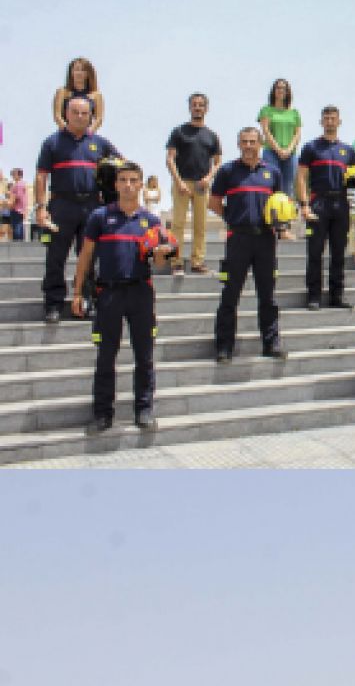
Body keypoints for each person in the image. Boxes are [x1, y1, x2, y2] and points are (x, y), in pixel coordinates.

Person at [71, 156, 171, 432]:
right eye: (123, 180)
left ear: (141, 185)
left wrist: (163, 254)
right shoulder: (100, 217)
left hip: (140, 293)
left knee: (145, 355)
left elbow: (160, 264)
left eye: (133, 181)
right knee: (106, 356)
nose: (128, 185)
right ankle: (103, 413)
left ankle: (144, 409)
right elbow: (86, 255)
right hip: (108, 294)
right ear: (115, 184)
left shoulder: (151, 220)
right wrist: (77, 292)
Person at [34, 95, 120, 323]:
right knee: (56, 257)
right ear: (66, 114)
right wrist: (41, 208)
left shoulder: (101, 143)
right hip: (61, 205)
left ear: (91, 116)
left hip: (92, 206)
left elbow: (122, 167)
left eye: (85, 113)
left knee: (89, 258)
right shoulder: (52, 142)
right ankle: (53, 304)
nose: (80, 117)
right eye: (75, 112)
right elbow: (41, 177)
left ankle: (86, 301)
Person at [209, 125, 288, 364]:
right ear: (238, 144)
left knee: (268, 295)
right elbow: (213, 203)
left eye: (253, 142)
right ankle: (224, 347)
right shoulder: (227, 171)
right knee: (230, 294)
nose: (249, 146)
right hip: (238, 239)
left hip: (265, 239)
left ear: (260, 144)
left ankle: (271, 343)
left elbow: (280, 203)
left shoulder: (272, 173)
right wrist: (233, 217)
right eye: (244, 142)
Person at [296, 104, 355, 310]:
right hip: (318, 203)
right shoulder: (311, 148)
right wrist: (304, 205)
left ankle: (336, 296)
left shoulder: (348, 151)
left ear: (339, 122)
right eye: (326, 118)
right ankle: (313, 296)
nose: (330, 121)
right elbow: (301, 178)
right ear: (321, 122)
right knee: (315, 251)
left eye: (333, 118)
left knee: (338, 252)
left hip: (341, 203)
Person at [165, 92, 222, 275]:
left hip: (202, 185)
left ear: (206, 108)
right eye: (194, 104)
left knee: (200, 225)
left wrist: (208, 178)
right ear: (189, 107)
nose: (197, 107)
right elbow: (170, 159)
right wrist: (178, 181)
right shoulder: (178, 132)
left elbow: (218, 162)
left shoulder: (212, 136)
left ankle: (197, 262)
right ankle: (176, 262)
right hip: (182, 183)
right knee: (178, 224)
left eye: (201, 105)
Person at [257, 78, 301, 197]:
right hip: (271, 152)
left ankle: (286, 213)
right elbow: (265, 131)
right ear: (273, 91)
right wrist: (279, 150)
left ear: (287, 92)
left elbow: (297, 134)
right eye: (278, 88)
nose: (280, 90)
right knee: (271, 183)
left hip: (290, 153)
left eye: (283, 88)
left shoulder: (294, 113)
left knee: (288, 186)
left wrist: (288, 150)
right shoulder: (266, 110)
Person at [52, 57, 104, 132]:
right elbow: (57, 116)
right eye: (76, 70)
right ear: (71, 72)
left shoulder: (96, 95)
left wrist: (89, 132)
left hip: (86, 135)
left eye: (83, 70)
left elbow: (99, 119)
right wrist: (67, 131)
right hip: (65, 134)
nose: (79, 73)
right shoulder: (62, 92)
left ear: (88, 73)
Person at [7, 168, 27, 242]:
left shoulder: (18, 185)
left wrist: (9, 203)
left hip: (16, 209)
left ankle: (17, 245)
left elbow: (17, 197)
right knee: (19, 227)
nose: (12, 176)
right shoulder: (22, 184)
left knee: (17, 227)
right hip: (21, 210)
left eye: (14, 174)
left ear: (19, 175)